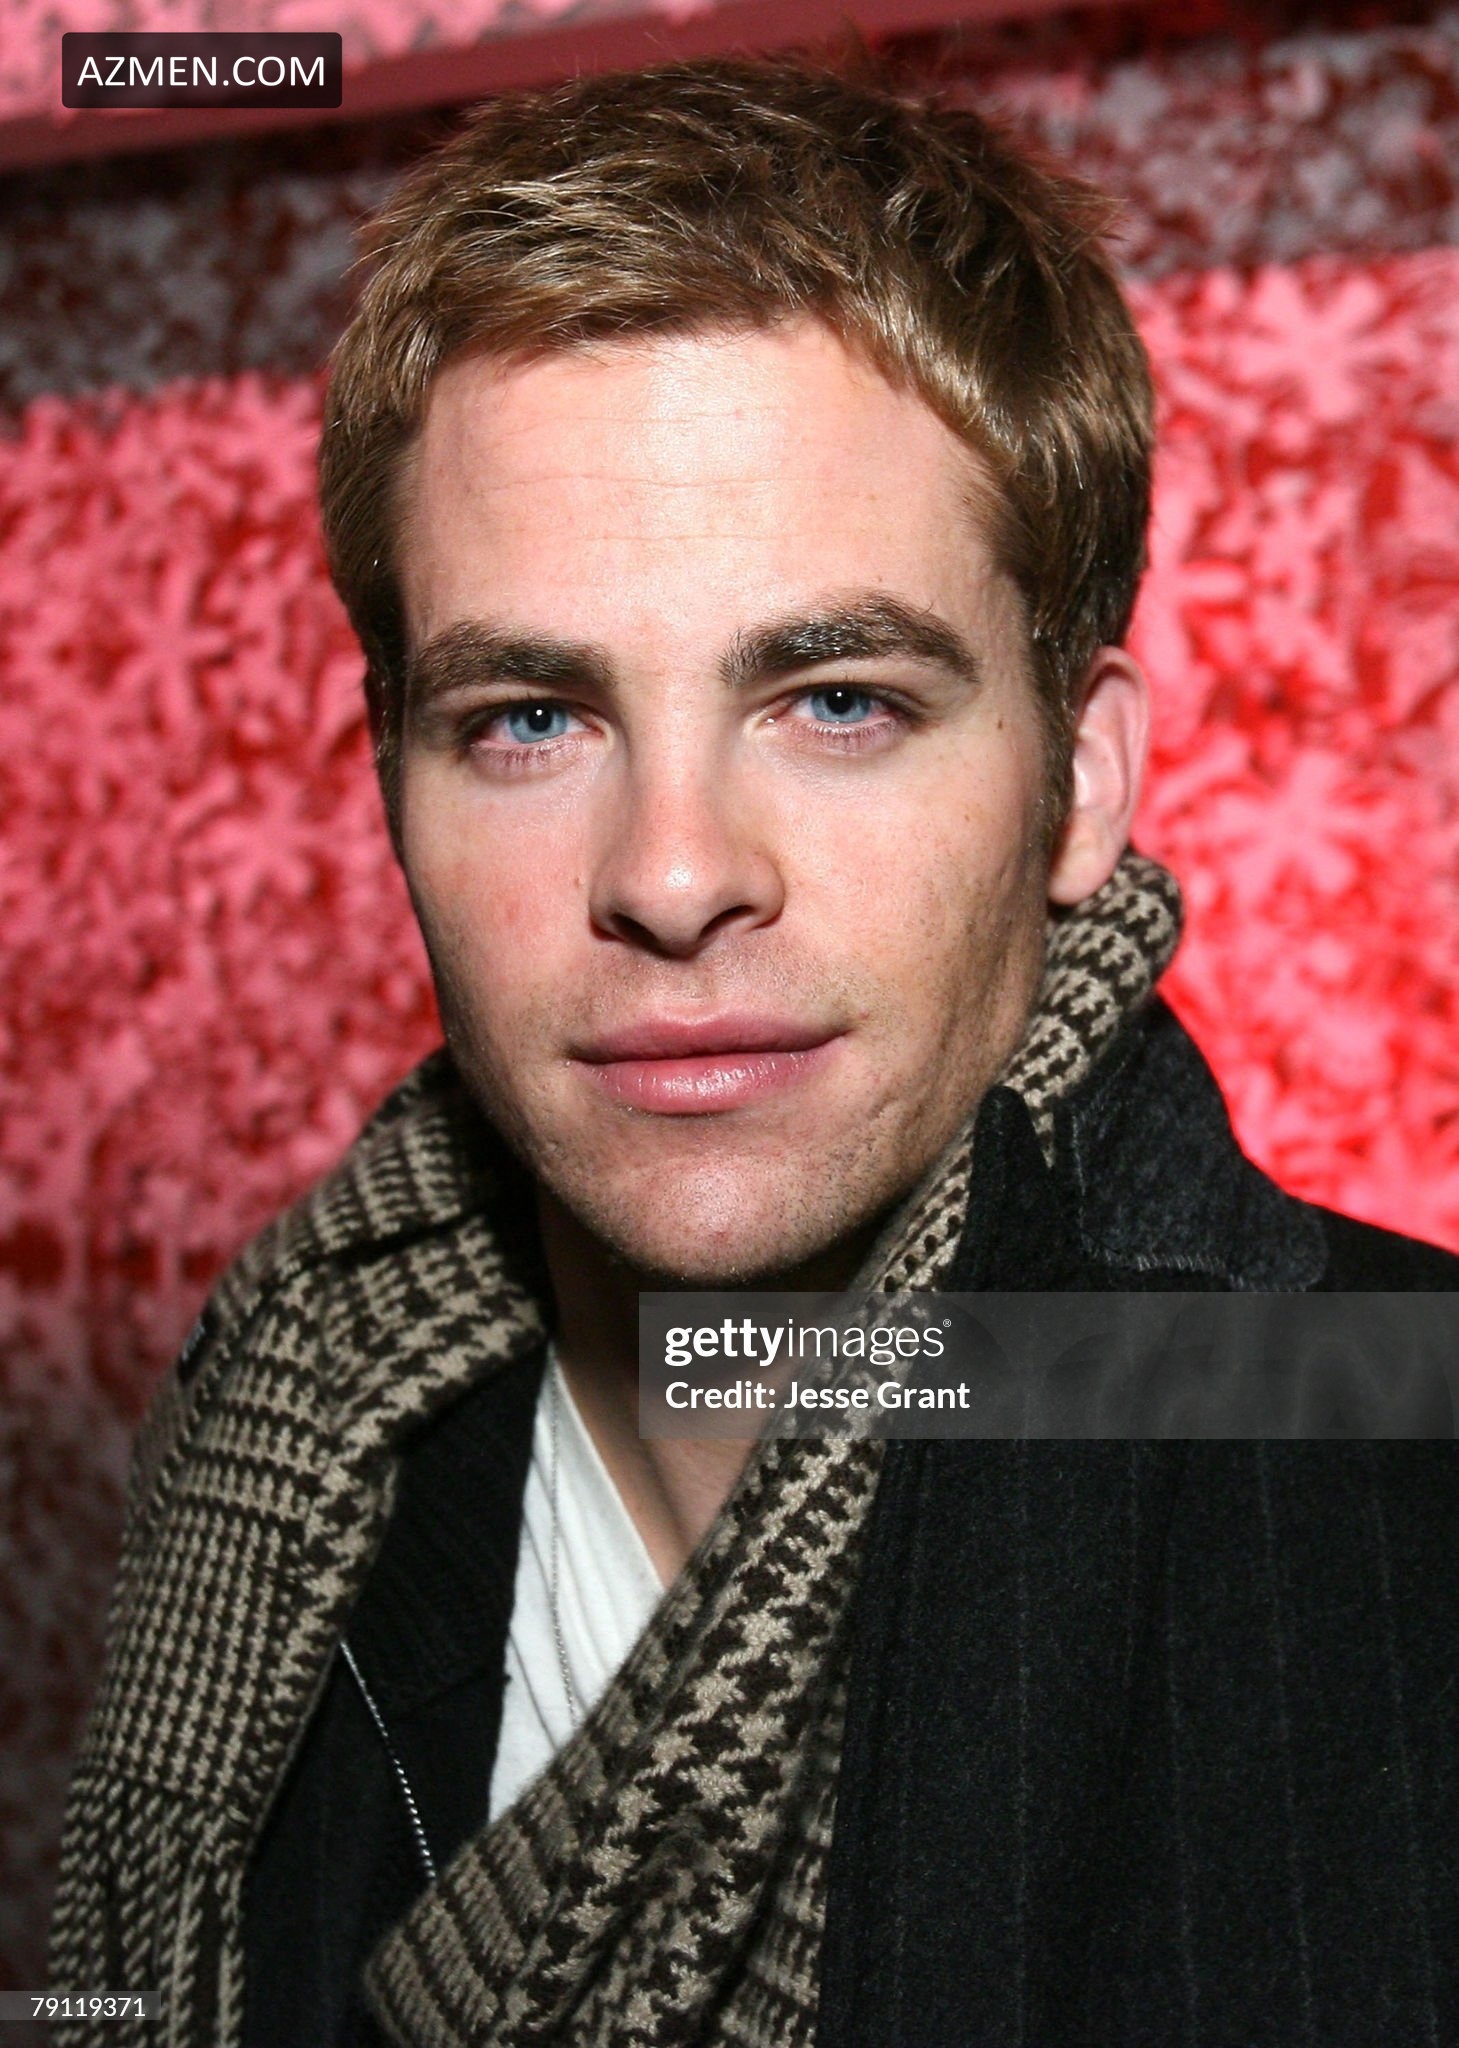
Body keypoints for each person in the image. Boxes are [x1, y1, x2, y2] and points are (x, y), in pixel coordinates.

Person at [49, 50, 1458, 2048]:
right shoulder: (286, 1448)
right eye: (530, 720)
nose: (673, 873)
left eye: (839, 700)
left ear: (1079, 777)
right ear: (388, 786)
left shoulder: (1399, 1481)